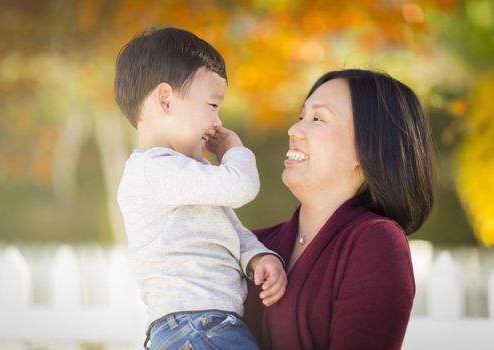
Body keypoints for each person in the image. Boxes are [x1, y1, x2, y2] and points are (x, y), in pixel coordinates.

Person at [114, 27, 287, 350]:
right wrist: (234, 150)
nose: (217, 122)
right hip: (195, 325)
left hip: (204, 326)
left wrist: (258, 257)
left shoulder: (189, 174)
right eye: (212, 105)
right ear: (165, 99)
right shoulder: (152, 170)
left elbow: (230, 230)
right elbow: (241, 186)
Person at [244, 69, 434, 350]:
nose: (293, 130)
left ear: (369, 147)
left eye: (318, 119)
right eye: (300, 117)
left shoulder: (376, 242)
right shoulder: (252, 244)